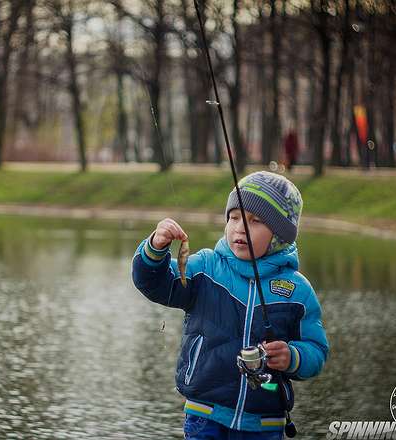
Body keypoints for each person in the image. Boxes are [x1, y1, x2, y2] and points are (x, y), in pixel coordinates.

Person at [132, 171, 329, 440]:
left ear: (279, 235)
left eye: (255, 221)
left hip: (265, 425)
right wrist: (154, 249)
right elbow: (155, 285)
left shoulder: (297, 291)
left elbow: (316, 351)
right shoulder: (206, 267)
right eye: (234, 217)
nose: (239, 227)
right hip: (205, 416)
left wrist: (292, 356)